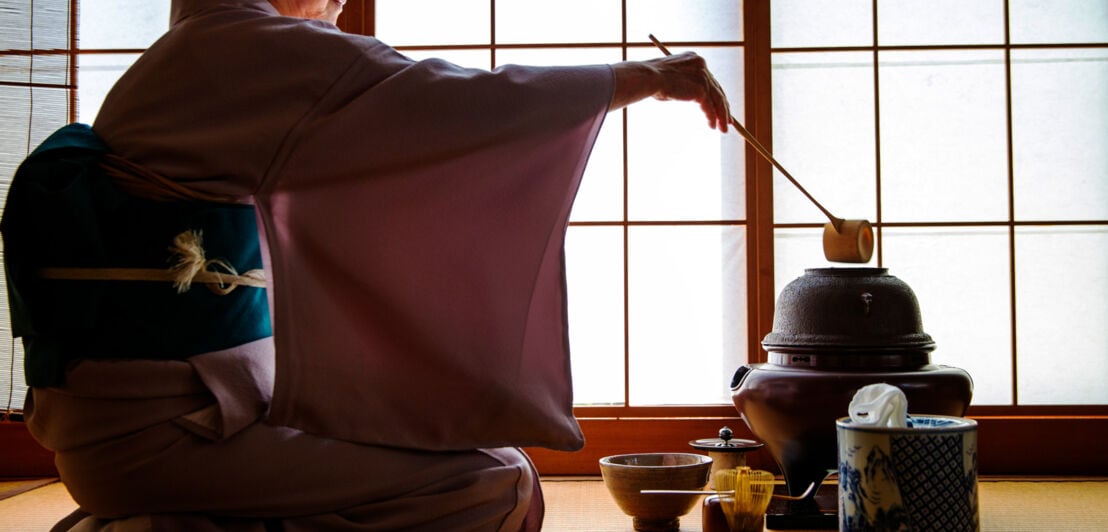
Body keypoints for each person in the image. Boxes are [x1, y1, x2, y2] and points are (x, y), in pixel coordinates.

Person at [3, 0, 731, 530]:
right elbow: (459, 109)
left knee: (475, 462)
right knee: (496, 483)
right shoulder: (247, 48)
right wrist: (642, 76)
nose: (343, 4)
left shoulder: (182, 57)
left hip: (135, 423)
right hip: (166, 434)